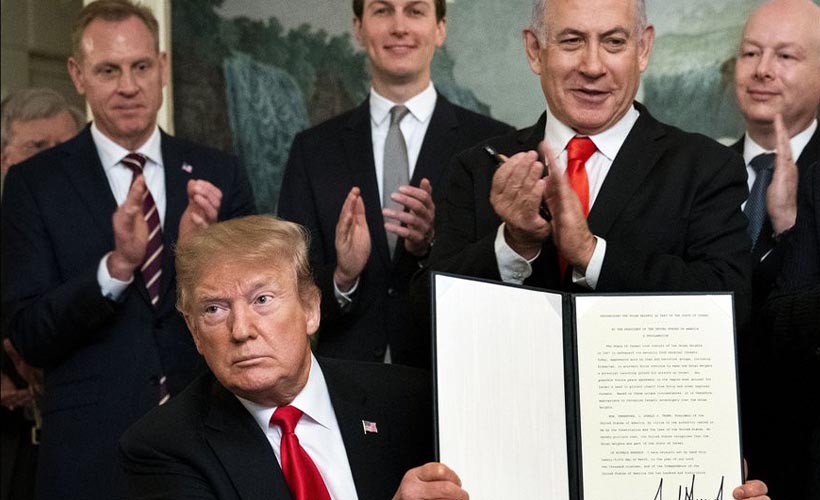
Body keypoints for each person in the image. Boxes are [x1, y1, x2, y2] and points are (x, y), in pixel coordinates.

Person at [0, 1, 256, 498]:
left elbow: (253, 316)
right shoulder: (35, 183)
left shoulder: (219, 173)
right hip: (89, 458)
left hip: (210, 446)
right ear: (77, 75)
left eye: (140, 66)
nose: (128, 86)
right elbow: (28, 335)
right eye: (108, 70)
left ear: (162, 67)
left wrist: (197, 259)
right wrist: (115, 269)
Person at [412, 0, 750, 328]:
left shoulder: (707, 168)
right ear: (535, 50)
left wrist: (591, 254)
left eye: (614, 42)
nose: (592, 66)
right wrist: (514, 244)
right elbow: (428, 318)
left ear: (643, 48)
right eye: (572, 41)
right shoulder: (478, 168)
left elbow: (729, 308)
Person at [118, 215, 467, 500]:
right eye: (214, 309)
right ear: (195, 332)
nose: (241, 330)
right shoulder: (164, 446)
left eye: (262, 300)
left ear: (310, 309)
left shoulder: (410, 399)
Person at [277, 0, 513, 369]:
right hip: (347, 379)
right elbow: (290, 284)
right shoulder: (312, 150)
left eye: (415, 11)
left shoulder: (491, 145)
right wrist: (343, 277)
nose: (399, 27)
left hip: (450, 372)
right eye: (382, 10)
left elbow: (503, 281)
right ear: (358, 28)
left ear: (440, 28)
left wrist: (432, 245)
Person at [729, 1, 820, 496]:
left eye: (785, 56)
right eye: (750, 53)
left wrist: (789, 229)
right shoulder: (697, 172)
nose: (762, 69)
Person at [0, 87, 84, 500]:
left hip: (75, 438)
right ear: (4, 159)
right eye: (37, 147)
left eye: (64, 148)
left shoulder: (112, 235)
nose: (52, 160)